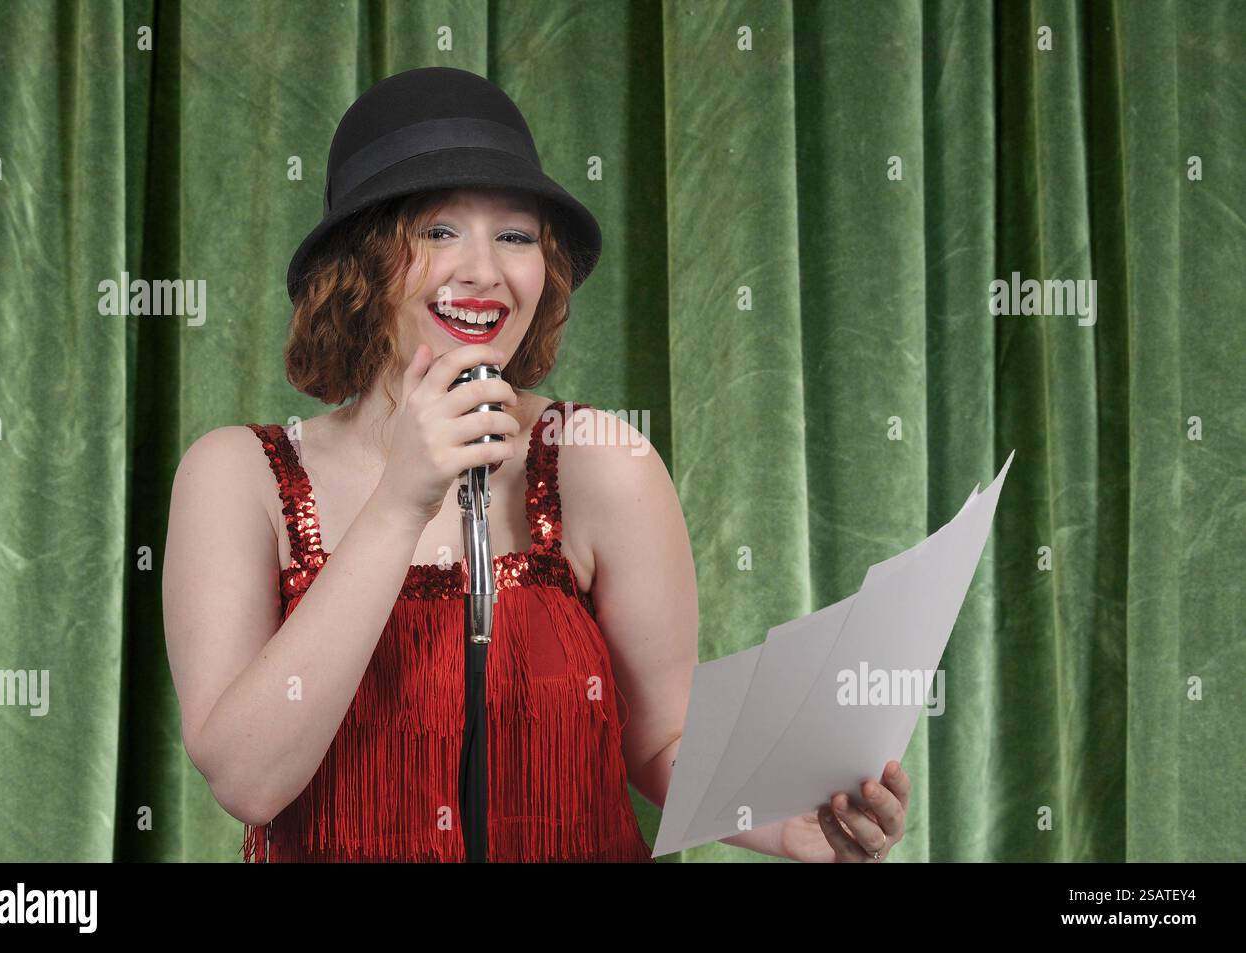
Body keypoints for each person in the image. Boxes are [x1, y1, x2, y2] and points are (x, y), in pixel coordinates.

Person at [161, 67, 910, 862]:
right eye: (438, 231)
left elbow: (661, 741)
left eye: (515, 236)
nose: (483, 270)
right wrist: (402, 500)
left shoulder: (601, 462)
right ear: (361, 265)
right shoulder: (239, 475)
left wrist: (788, 818)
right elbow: (247, 779)